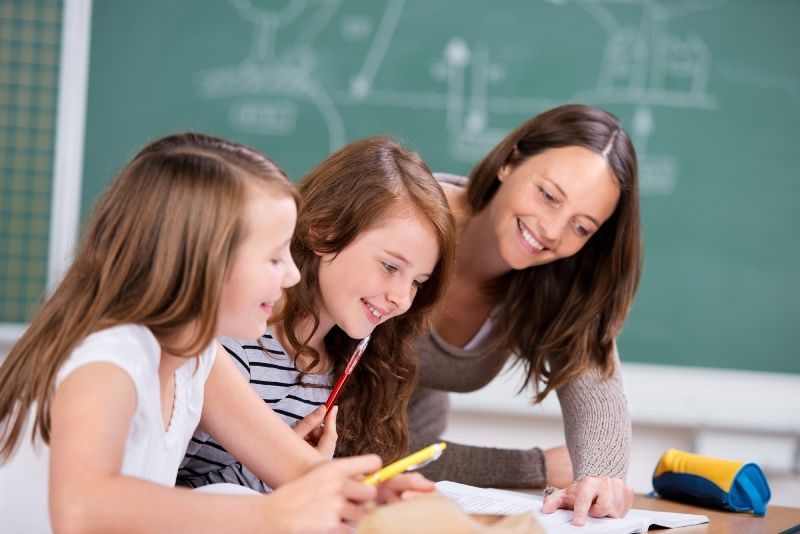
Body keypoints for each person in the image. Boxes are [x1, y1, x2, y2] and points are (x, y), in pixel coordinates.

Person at [0, 133, 425, 533]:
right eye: (274, 258)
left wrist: (368, 496)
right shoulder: (111, 359)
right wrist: (269, 513)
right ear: (206, 260)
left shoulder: (196, 356)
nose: (293, 275)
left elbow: (296, 465)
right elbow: (81, 509)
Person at [407, 104, 643, 525]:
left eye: (582, 227)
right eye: (548, 196)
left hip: (408, 463)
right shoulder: (402, 220)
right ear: (510, 161)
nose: (552, 231)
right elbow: (356, 442)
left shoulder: (556, 278)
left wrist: (601, 479)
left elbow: (597, 393)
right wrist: (536, 467)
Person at [178, 136, 456, 492]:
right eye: (389, 267)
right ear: (325, 232)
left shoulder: (355, 368)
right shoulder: (233, 340)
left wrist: (299, 475)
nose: (402, 299)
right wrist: (298, 475)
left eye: (417, 282)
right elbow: (159, 490)